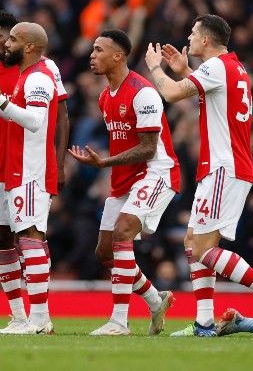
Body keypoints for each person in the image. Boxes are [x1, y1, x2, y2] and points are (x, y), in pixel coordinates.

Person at [145, 14, 253, 337]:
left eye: (194, 32)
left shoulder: (215, 67)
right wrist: (184, 70)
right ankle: (205, 323)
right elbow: (212, 96)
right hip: (224, 167)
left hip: (225, 168)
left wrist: (156, 68)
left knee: (203, 250)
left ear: (206, 40)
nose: (190, 37)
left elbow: (169, 94)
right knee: (191, 241)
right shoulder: (233, 68)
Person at [68, 29, 178, 336]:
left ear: (118, 56)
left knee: (123, 232)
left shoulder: (143, 93)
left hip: (156, 172)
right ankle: (156, 301)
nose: (92, 55)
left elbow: (149, 148)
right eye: (92, 49)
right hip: (124, 178)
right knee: (105, 253)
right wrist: (109, 169)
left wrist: (104, 163)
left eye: (99, 50)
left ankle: (119, 322)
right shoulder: (105, 97)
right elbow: (122, 144)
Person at [0, 11, 69, 334]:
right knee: (15, 239)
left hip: (30, 169)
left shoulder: (41, 75)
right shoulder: (23, 75)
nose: (0, 44)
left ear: (26, 45)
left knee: (30, 237)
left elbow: (38, 121)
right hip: (9, 170)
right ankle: (25, 318)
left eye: (8, 38)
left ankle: (38, 319)